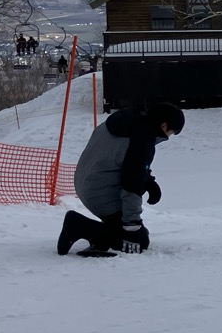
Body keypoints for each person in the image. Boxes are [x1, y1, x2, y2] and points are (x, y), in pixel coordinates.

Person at [57, 101, 183, 255]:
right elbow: (132, 184)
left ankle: (91, 229)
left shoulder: (127, 119)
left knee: (139, 234)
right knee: (138, 242)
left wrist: (149, 181)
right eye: (170, 133)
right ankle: (80, 226)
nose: (167, 137)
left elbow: (126, 160)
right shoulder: (142, 139)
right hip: (100, 193)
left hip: (86, 182)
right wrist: (132, 224)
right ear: (163, 126)